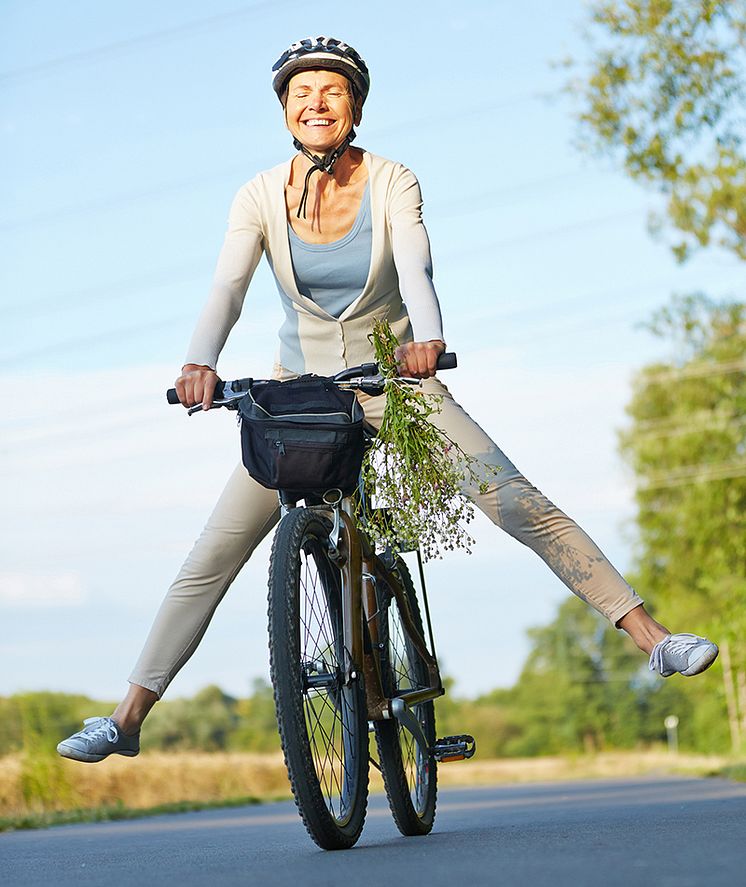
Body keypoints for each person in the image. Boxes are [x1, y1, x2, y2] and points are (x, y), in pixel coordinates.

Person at [58, 36, 718, 763]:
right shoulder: (257, 195)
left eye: (331, 92)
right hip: (299, 395)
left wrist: (427, 338)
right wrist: (198, 361)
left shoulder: (392, 180)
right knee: (214, 550)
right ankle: (127, 718)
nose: (316, 103)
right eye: (301, 93)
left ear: (355, 107)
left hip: (395, 383)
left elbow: (414, 257)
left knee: (513, 498)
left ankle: (653, 640)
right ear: (285, 110)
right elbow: (228, 286)